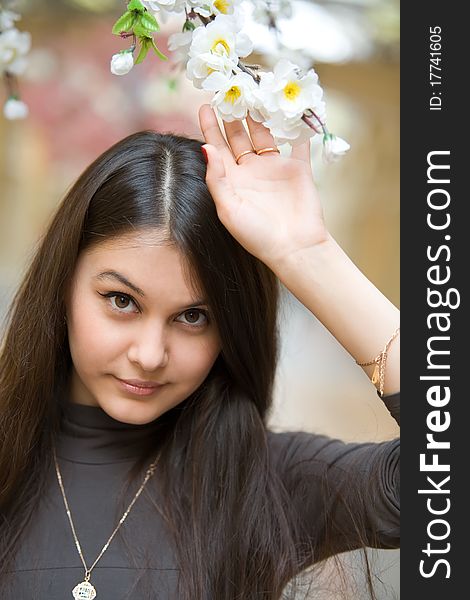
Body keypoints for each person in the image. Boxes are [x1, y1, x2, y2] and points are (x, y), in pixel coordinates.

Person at [0, 104, 399, 599]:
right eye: (121, 301)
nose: (149, 355)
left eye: (193, 317)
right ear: (62, 287)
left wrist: (306, 253)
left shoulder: (268, 483)